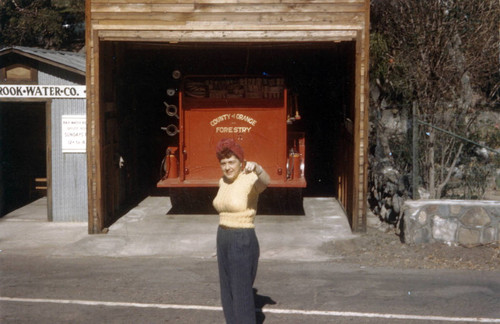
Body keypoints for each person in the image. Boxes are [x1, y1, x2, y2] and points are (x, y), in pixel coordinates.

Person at [213, 138, 271, 324]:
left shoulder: (249, 178)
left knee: (241, 292)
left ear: (241, 162)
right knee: (227, 290)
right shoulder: (222, 182)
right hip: (222, 236)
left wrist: (258, 168)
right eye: (223, 163)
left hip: (242, 237)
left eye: (232, 162)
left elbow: (266, 182)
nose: (227, 167)